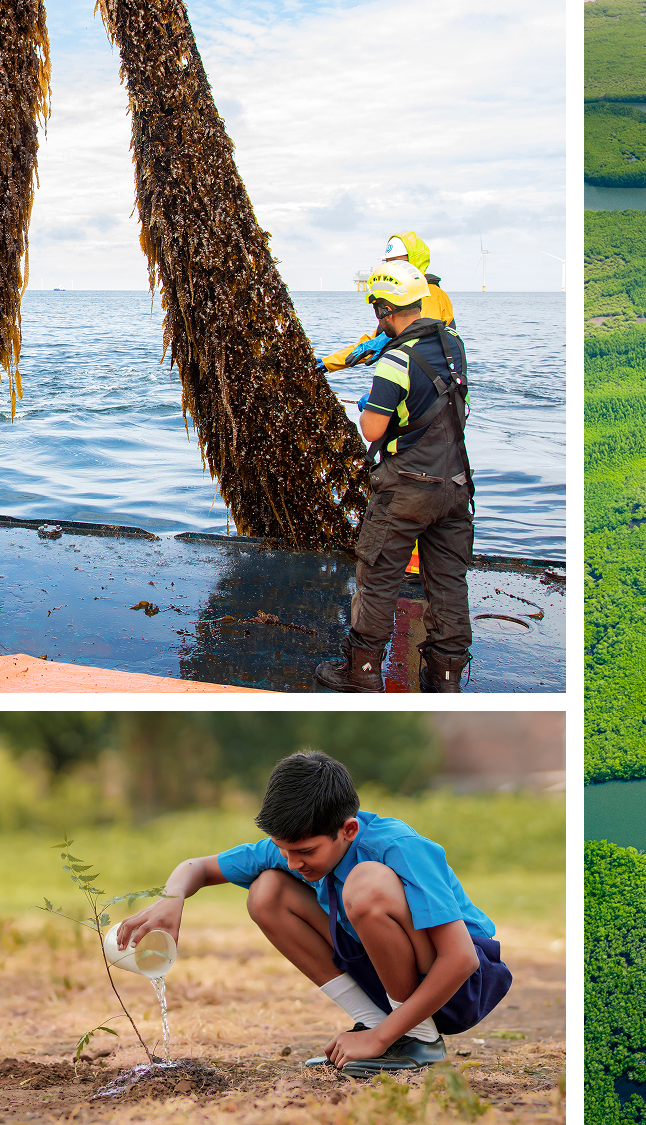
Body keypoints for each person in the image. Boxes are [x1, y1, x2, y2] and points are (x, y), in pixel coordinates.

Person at [112, 751, 511, 1076]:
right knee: (266, 890)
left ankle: (416, 1041)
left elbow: (460, 959)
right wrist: (173, 897)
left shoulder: (397, 846)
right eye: (284, 850)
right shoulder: (290, 853)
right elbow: (196, 867)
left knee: (365, 882)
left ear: (348, 830)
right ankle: (378, 1025)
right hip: (387, 978)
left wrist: (378, 1040)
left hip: (460, 985)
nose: (294, 862)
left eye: (305, 852)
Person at [316, 260, 473, 692]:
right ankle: (444, 677)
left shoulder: (394, 362)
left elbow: (372, 430)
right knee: (447, 582)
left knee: (379, 576)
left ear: (384, 309)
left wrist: (371, 402)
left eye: (377, 309)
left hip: (406, 489)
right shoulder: (454, 344)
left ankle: (361, 674)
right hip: (457, 485)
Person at [318, 232, 456, 373]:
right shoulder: (397, 297)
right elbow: (370, 343)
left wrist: (385, 341)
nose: (393, 266)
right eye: (388, 262)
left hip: (431, 379)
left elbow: (421, 330)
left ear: (414, 260)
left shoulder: (430, 292)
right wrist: (329, 362)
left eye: (397, 261)